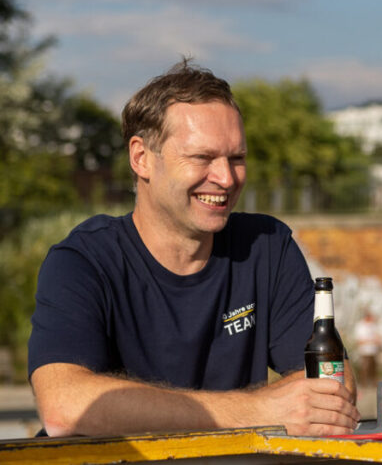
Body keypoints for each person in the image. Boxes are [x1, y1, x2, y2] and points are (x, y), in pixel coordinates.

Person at [28, 59, 360, 437]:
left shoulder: (267, 246)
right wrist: (257, 409)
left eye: (237, 158)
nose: (226, 178)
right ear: (141, 158)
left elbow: (335, 388)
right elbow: (64, 407)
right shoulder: (83, 260)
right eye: (202, 158)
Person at [354, 310, 381, 386]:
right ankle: (364, 383)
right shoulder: (360, 326)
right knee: (364, 368)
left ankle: (373, 383)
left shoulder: (373, 325)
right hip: (364, 351)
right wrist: (371, 341)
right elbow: (359, 341)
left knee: (374, 369)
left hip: (374, 351)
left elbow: (378, 337)